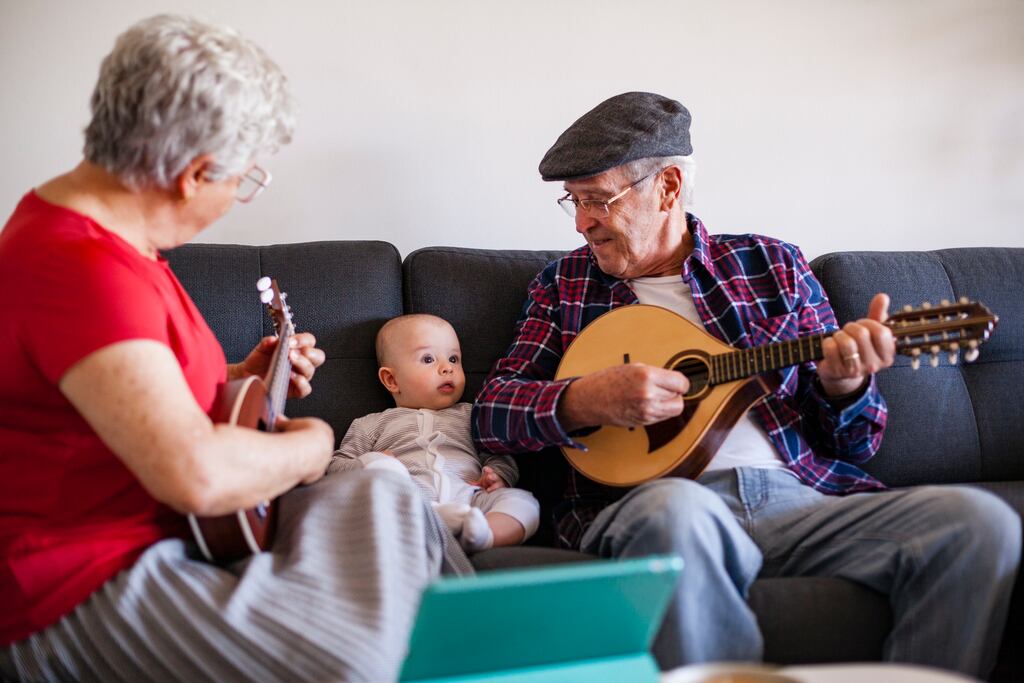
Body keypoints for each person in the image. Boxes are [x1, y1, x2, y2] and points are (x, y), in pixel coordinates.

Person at [471, 91, 1020, 678]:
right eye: (573, 203)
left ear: (669, 187)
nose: (582, 224)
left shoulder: (772, 264)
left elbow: (857, 445)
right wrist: (582, 399)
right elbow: (491, 412)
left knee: (978, 523)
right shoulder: (563, 286)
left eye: (598, 201)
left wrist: (844, 385)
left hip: (798, 500)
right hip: (654, 506)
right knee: (676, 510)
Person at [0, 15, 467, 682]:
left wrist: (239, 378)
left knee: (389, 499)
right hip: (77, 578)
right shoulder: (79, 267)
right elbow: (194, 473)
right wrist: (312, 445)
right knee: (349, 656)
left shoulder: (119, 246)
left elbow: (119, 393)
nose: (237, 198)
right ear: (192, 174)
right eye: (242, 180)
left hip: (168, 529)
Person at [330, 314, 540, 553]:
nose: (447, 368)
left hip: (471, 499)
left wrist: (498, 476)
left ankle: (483, 536)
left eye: (454, 358)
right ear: (391, 379)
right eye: (428, 359)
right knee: (381, 472)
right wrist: (374, 462)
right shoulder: (371, 424)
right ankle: (431, 526)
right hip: (408, 500)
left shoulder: (473, 414)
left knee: (524, 503)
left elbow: (498, 453)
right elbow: (336, 467)